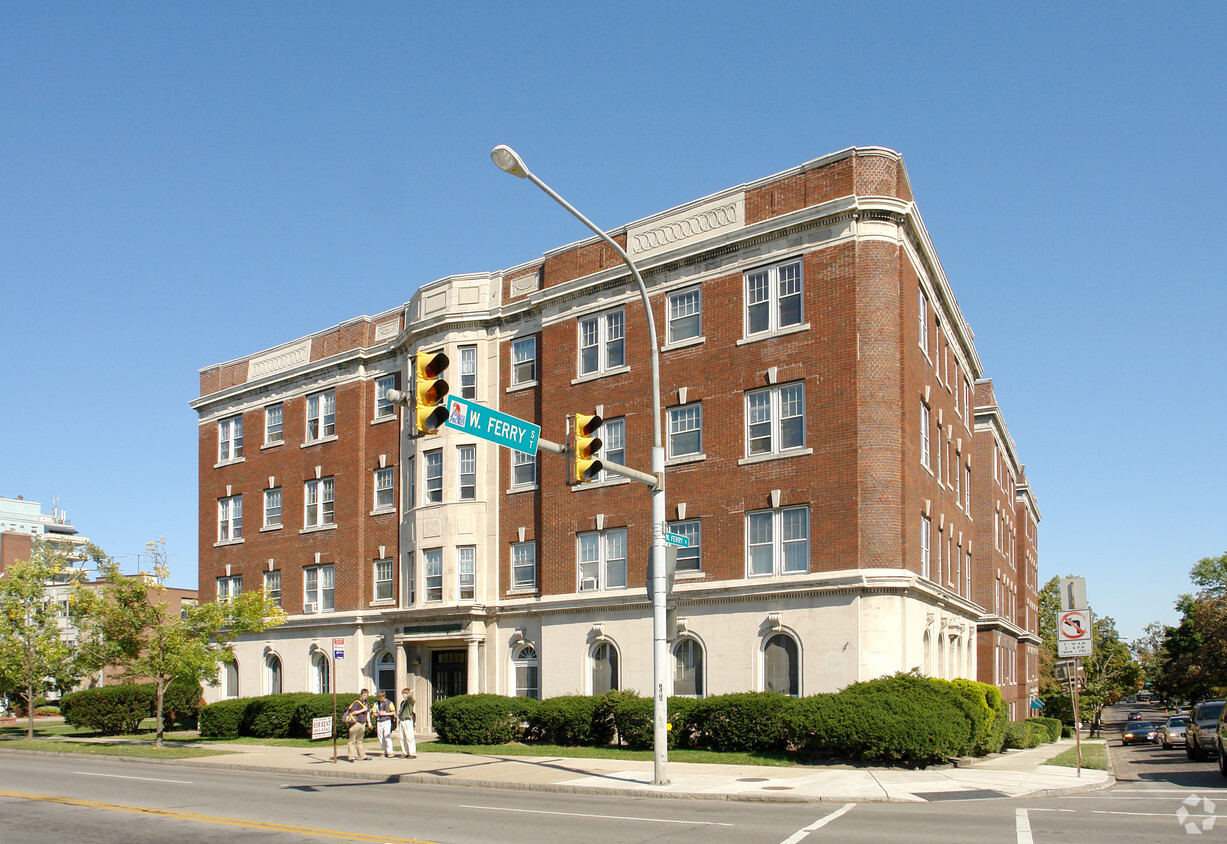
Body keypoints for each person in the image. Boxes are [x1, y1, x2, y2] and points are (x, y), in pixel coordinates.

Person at [343, 689, 370, 762]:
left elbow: (367, 713)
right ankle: (351, 757)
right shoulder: (356, 703)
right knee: (352, 741)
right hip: (356, 723)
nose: (365, 697)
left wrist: (369, 723)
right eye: (364, 695)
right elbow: (353, 712)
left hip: (363, 723)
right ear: (361, 695)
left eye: (366, 695)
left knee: (359, 740)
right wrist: (362, 710)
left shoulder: (367, 703)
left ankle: (362, 756)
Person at [395, 687, 417, 758]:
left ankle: (412, 753)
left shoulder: (410, 702)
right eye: (403, 693)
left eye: (405, 693)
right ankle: (405, 752)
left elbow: (410, 698)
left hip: (408, 720)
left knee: (409, 737)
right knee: (402, 737)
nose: (404, 695)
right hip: (402, 720)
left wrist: (410, 692)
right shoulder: (403, 703)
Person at [375, 690, 397, 757]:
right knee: (380, 736)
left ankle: (390, 751)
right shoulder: (376, 704)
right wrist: (378, 714)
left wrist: (385, 714)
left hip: (386, 721)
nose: (381, 699)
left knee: (386, 736)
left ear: (384, 696)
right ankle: (385, 751)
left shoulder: (389, 703)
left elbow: (393, 712)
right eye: (380, 698)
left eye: (382, 698)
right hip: (379, 721)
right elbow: (373, 713)